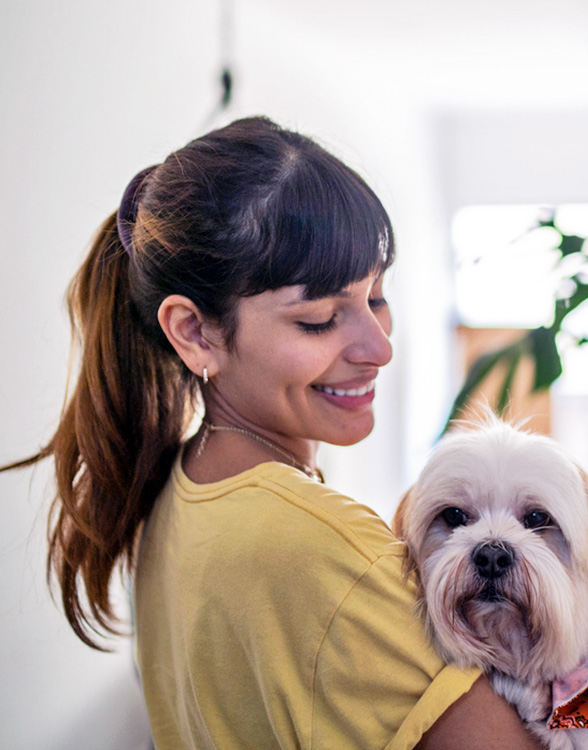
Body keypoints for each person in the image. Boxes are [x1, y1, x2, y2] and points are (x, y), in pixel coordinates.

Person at [1, 116, 542, 750]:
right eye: (319, 319)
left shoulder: (181, 492)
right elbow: (564, 736)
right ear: (195, 332)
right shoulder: (323, 548)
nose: (379, 346)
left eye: (376, 297)